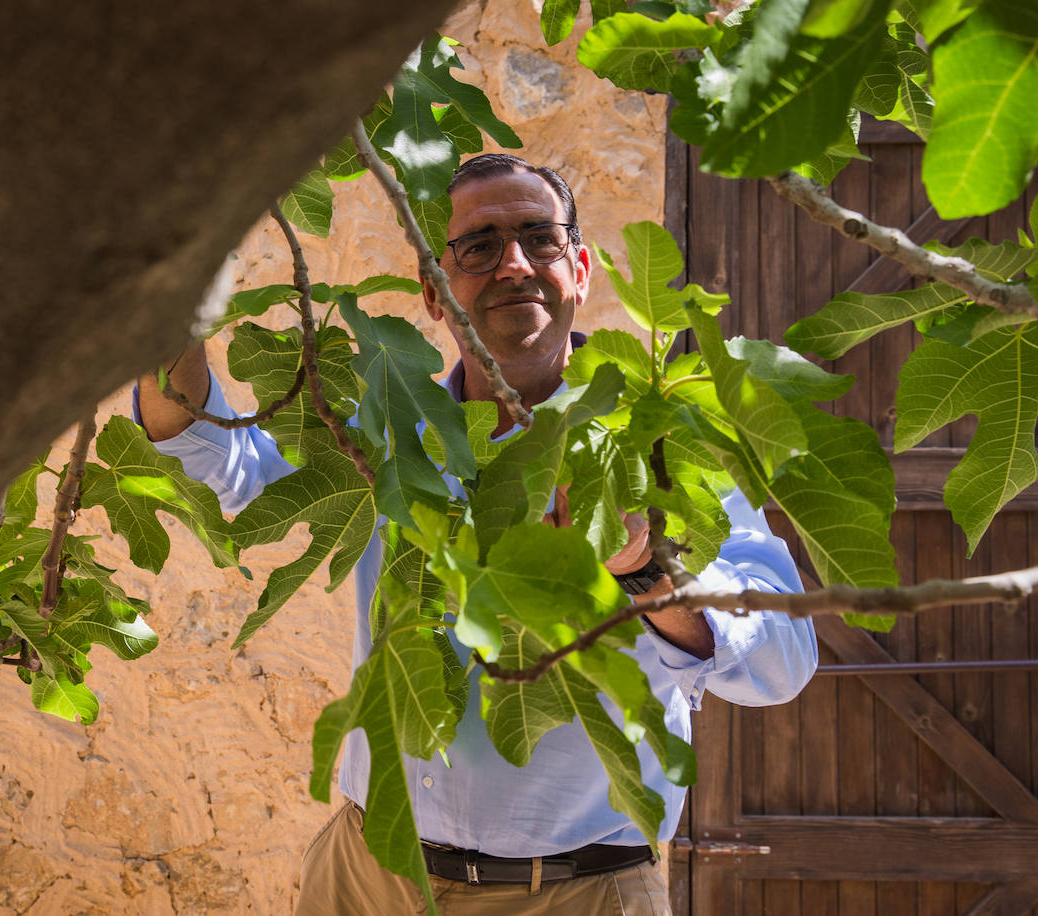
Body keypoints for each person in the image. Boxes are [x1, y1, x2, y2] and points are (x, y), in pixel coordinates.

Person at [135, 154, 818, 914]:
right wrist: (173, 321)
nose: (514, 265)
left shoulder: (662, 442)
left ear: (582, 269)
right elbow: (208, 457)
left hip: (576, 894)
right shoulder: (386, 432)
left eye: (539, 237)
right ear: (435, 292)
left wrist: (646, 568)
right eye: (479, 247)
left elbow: (783, 661)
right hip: (370, 880)